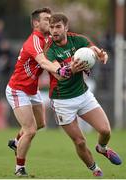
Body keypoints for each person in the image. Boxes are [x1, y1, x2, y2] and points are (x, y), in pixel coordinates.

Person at [45, 13, 122, 177]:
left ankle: (102, 148)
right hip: (62, 101)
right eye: (51, 27)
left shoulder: (77, 40)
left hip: (83, 95)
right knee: (80, 141)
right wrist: (72, 69)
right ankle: (95, 169)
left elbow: (93, 49)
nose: (54, 31)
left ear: (66, 27)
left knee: (106, 131)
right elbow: (58, 74)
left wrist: (102, 55)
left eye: (58, 27)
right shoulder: (49, 49)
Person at [5, 8, 71, 177]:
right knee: (31, 130)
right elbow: (42, 61)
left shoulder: (48, 39)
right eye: (46, 19)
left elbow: (65, 40)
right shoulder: (34, 40)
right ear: (36, 23)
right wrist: (60, 70)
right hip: (17, 90)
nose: (50, 22)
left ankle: (16, 142)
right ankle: (19, 168)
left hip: (31, 90)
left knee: (41, 124)